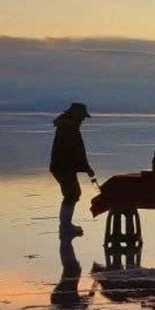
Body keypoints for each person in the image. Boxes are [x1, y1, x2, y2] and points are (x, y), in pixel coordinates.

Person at [50, 102, 94, 238]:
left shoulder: (68, 127)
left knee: (72, 194)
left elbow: (77, 152)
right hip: (63, 167)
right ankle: (65, 226)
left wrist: (86, 168)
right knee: (72, 194)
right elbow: (76, 152)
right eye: (82, 117)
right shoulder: (70, 129)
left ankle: (66, 225)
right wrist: (86, 168)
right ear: (76, 116)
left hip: (62, 166)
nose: (83, 120)